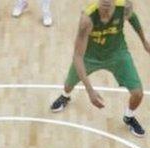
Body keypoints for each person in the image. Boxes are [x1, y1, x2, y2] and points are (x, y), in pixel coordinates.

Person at [50, 0, 150, 137]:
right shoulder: (87, 19)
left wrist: (144, 41)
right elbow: (78, 57)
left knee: (138, 93)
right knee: (68, 85)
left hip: (117, 54)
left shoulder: (123, 7)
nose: (106, 1)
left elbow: (133, 18)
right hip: (90, 57)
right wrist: (90, 91)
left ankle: (129, 116)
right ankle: (65, 96)